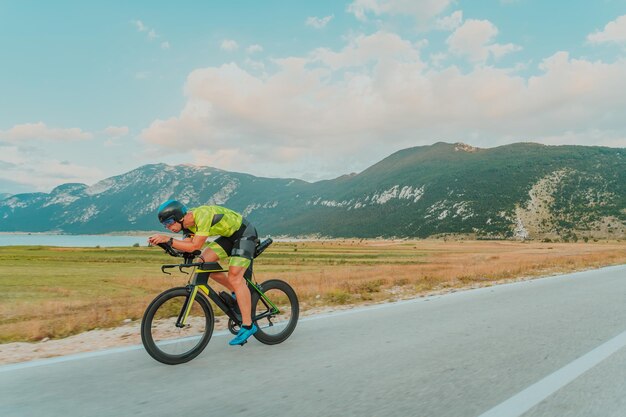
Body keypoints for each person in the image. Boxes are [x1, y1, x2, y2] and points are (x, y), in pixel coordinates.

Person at [147, 200, 258, 346]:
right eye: (164, 225)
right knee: (203, 262)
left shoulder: (202, 215)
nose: (168, 227)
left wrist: (168, 239)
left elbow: (195, 246)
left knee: (235, 278)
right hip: (228, 237)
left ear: (179, 217)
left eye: (169, 222)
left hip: (244, 233)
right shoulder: (186, 226)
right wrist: (164, 244)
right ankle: (235, 293)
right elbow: (186, 247)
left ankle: (248, 326)